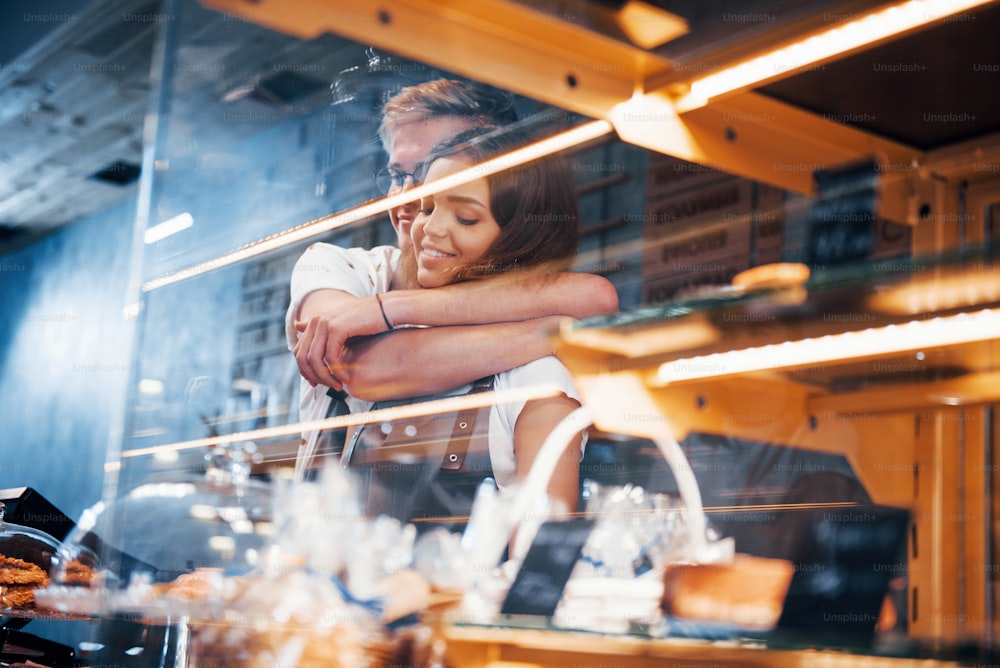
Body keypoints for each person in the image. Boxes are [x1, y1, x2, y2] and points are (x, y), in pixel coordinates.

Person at [286, 78, 618, 480]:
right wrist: (550, 334)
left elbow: (597, 297)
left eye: (430, 170)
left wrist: (387, 310)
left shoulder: (534, 379)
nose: (406, 197)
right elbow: (362, 367)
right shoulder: (338, 266)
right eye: (398, 175)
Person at [325, 125, 589, 517]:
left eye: (465, 218)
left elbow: (538, 557)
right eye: (428, 207)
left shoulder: (538, 379)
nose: (430, 229)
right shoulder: (396, 345)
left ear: (517, 240)